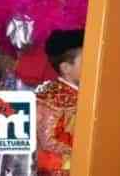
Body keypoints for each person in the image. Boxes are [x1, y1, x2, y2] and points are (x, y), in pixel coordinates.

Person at [36, 29, 84, 176]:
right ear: (66, 68)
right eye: (85, 60)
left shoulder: (84, 93)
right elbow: (47, 139)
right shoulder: (52, 95)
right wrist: (83, 147)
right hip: (56, 168)